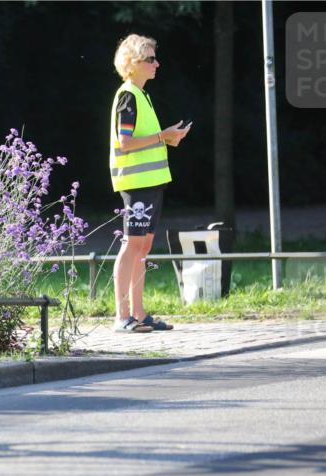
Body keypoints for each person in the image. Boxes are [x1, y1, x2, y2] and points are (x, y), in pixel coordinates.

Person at [109, 34, 191, 333]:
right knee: (132, 245)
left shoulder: (141, 95)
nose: (157, 64)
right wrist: (162, 136)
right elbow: (125, 142)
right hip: (137, 183)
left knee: (142, 247)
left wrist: (168, 139)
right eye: (151, 59)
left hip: (151, 182)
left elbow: (140, 141)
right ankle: (122, 317)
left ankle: (139, 314)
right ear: (133, 63)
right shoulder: (128, 95)